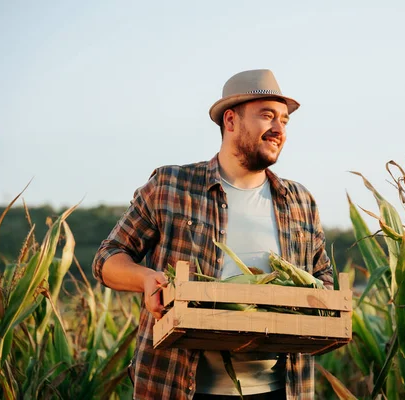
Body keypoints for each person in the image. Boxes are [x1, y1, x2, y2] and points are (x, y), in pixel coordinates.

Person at [92, 69, 333, 400]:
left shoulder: (300, 202)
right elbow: (108, 258)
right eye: (267, 116)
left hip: (281, 390)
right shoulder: (172, 186)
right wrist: (147, 279)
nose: (279, 129)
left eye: (285, 120)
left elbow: (322, 282)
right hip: (180, 387)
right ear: (231, 121)